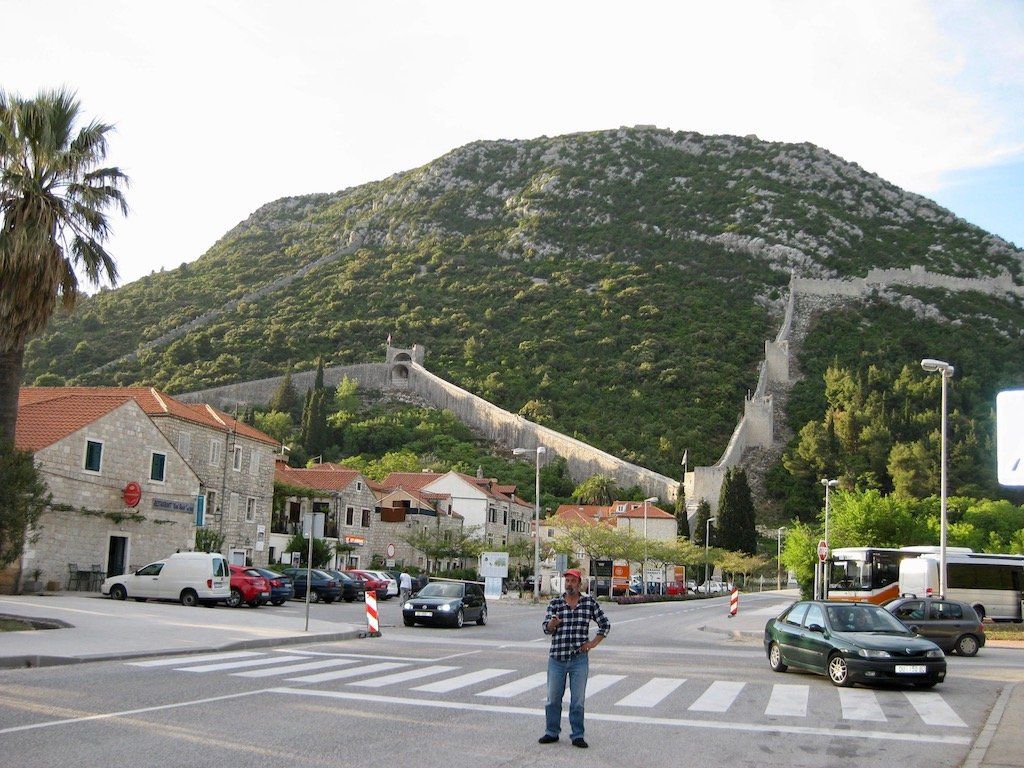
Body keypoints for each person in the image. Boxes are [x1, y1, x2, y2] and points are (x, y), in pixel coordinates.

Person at [539, 568, 610, 749]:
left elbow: (605, 625)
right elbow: (546, 628)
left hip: (579, 659)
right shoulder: (555, 603)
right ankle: (551, 732)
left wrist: (592, 643)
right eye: (567, 581)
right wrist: (551, 624)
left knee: (578, 701)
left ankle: (577, 735)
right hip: (557, 658)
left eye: (573, 581)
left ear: (579, 584)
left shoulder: (589, 603)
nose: (569, 584)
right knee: (553, 699)